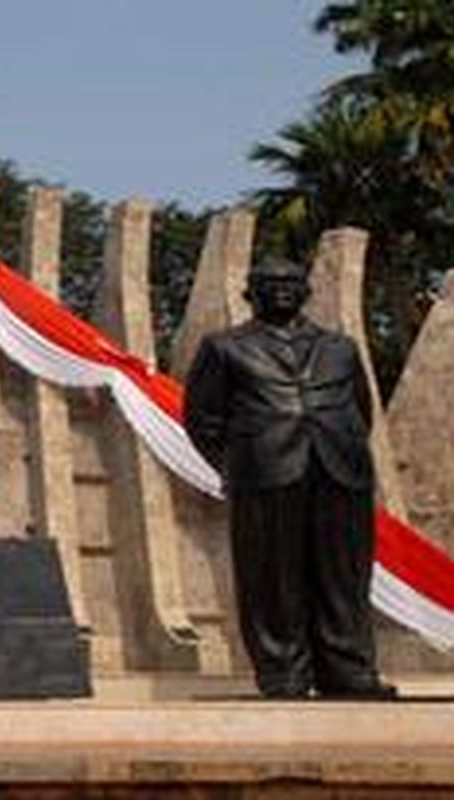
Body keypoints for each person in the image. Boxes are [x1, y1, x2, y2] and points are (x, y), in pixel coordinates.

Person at [183, 257, 395, 700]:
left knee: (344, 576)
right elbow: (202, 420)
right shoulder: (225, 347)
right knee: (272, 575)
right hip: (265, 473)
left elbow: (360, 409)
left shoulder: (341, 347)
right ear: (249, 294)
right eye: (269, 283)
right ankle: (284, 673)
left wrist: (344, 445)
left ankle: (348, 671)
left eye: (291, 282)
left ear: (306, 291)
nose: (281, 288)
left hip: (339, 470)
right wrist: (237, 465)